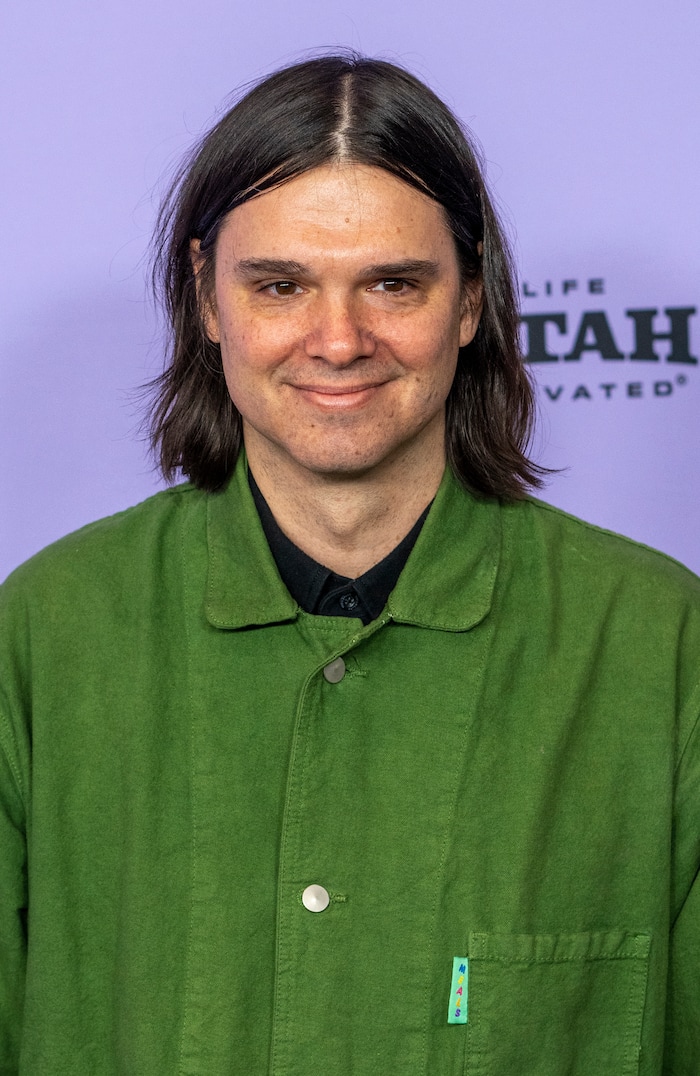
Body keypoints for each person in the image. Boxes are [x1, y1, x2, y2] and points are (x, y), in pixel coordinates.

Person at [0, 53, 698, 1076]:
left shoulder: (657, 641)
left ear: (470, 301)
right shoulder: (46, 630)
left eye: (392, 283)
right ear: (205, 298)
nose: (338, 340)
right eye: (280, 284)